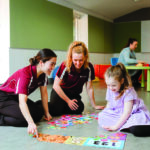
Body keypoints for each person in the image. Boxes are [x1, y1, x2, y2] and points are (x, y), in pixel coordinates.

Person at [0, 48, 57, 137]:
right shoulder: (26, 74)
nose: (53, 68)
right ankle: (1, 118)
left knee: (38, 114)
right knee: (24, 120)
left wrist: (47, 112)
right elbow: (22, 102)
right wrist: (30, 123)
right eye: (51, 64)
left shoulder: (43, 74)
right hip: (4, 98)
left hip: (15, 97)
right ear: (41, 63)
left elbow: (44, 95)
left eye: (54, 64)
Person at [49, 41, 104, 116]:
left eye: (81, 60)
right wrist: (68, 101)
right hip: (60, 92)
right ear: (71, 58)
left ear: (85, 57)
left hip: (74, 95)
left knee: (79, 109)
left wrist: (94, 105)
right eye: (75, 60)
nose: (78, 63)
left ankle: (61, 106)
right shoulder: (65, 65)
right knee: (55, 111)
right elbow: (56, 86)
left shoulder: (89, 67)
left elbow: (89, 88)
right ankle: (52, 105)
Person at [98, 63, 150, 137]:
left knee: (136, 129)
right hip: (118, 112)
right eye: (108, 85)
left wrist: (115, 127)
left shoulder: (128, 91)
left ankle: (129, 126)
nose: (110, 88)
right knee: (102, 116)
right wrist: (106, 112)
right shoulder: (110, 88)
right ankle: (124, 126)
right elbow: (109, 104)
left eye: (113, 85)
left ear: (122, 81)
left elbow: (127, 112)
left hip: (132, 113)